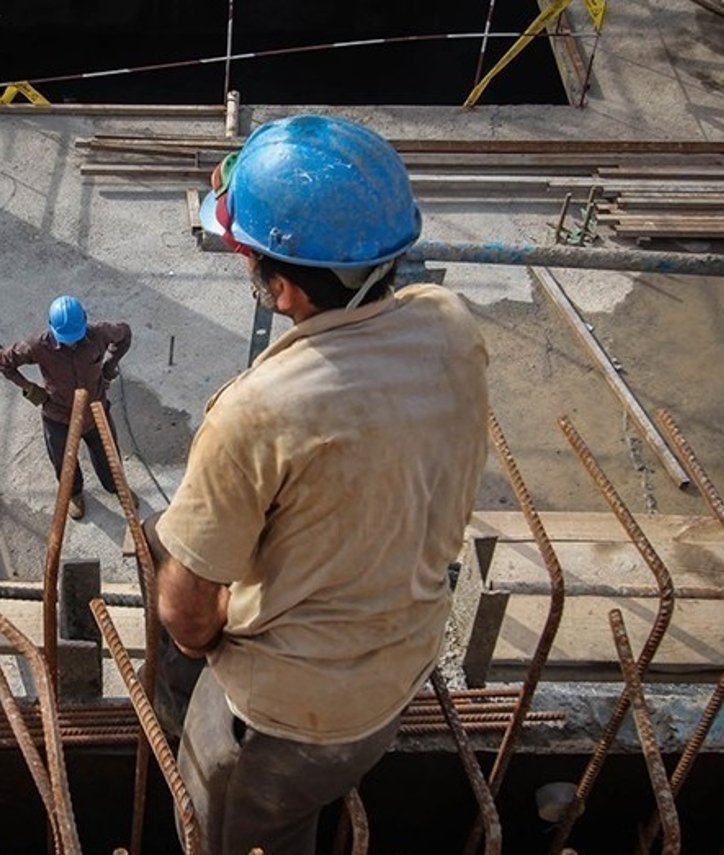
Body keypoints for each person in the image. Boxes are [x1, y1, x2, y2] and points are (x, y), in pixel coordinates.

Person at [149, 114, 489, 854]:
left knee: (233, 831)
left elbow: (184, 613)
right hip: (396, 673)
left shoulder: (257, 412)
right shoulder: (451, 325)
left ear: (281, 290)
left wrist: (209, 649)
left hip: (283, 728)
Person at [0, 296, 132, 520]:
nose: (71, 344)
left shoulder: (100, 333)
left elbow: (125, 335)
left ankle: (116, 488)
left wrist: (109, 366)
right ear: (51, 326)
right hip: (58, 415)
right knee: (64, 462)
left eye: (75, 338)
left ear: (85, 322)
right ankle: (74, 494)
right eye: (66, 340)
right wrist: (29, 389)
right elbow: (2, 362)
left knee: (109, 455)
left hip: (95, 408)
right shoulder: (37, 345)